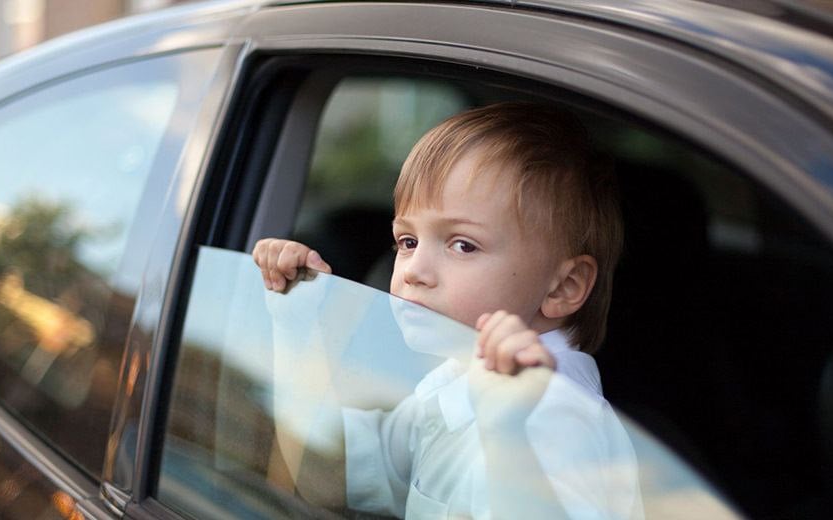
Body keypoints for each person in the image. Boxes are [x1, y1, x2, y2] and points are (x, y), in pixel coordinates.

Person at [253, 102, 642, 519]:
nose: (414, 270)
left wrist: (507, 437)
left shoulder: (553, 417)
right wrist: (298, 325)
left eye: (463, 245)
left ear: (564, 287)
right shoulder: (453, 386)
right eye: (407, 241)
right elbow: (327, 473)